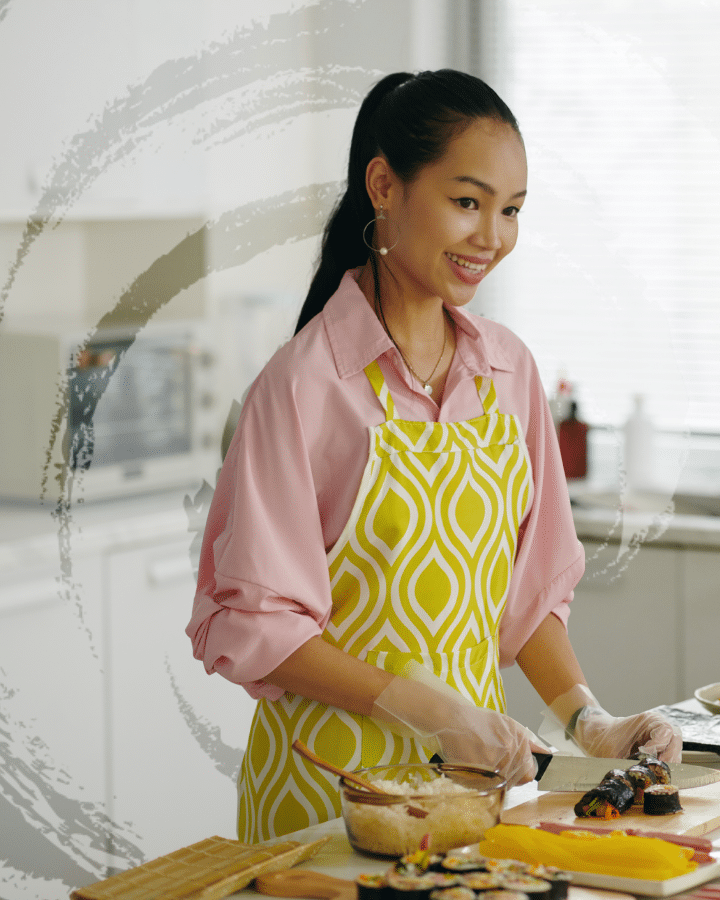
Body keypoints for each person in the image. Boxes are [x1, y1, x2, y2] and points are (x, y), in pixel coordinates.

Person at [185, 69, 680, 844]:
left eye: (511, 210)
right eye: (467, 202)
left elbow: (527, 595)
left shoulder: (510, 374)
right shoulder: (303, 387)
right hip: (326, 797)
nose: (493, 236)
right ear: (384, 185)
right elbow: (261, 627)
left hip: (470, 795)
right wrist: (438, 712)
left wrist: (590, 723)